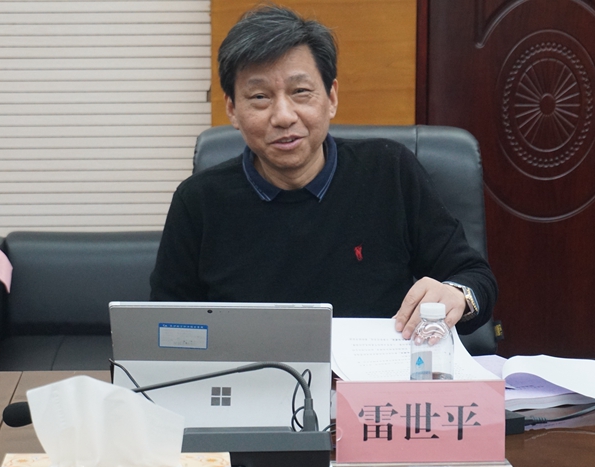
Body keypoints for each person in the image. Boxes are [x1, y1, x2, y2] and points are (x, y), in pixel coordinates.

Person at [150, 5, 497, 340]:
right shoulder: (198, 202)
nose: (283, 116)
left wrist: (456, 295)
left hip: (371, 376)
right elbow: (166, 329)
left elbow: (474, 278)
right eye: (259, 97)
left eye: (300, 92)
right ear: (232, 110)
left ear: (331, 98)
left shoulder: (390, 171)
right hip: (249, 377)